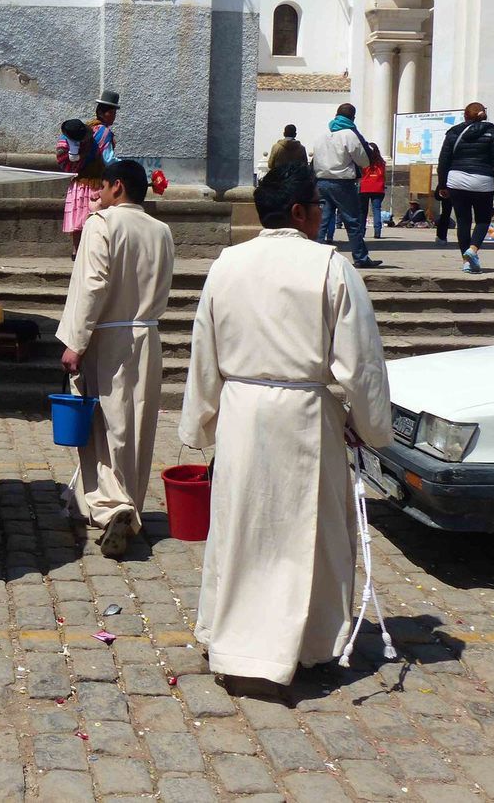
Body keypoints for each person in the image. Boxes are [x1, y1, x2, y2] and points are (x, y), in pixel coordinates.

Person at [179, 162, 392, 687]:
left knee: (243, 527)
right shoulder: (329, 266)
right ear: (299, 211)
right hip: (303, 417)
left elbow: (203, 346)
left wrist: (202, 419)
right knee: (306, 532)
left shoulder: (227, 264)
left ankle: (232, 634)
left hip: (244, 413)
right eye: (319, 207)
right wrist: (371, 427)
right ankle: (309, 641)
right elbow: (360, 360)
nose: (323, 216)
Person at [58, 159, 175, 558]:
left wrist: (75, 340)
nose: (96, 195)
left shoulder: (102, 224)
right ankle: (129, 504)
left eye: (102, 187)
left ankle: (111, 505)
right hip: (147, 333)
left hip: (106, 336)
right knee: (137, 425)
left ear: (118, 187)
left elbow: (94, 283)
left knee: (104, 425)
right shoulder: (161, 231)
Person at [434, 102, 494, 273]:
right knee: (482, 220)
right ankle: (473, 250)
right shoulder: (493, 133)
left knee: (463, 221)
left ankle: (466, 262)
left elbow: (443, 160)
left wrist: (442, 184)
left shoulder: (453, 132)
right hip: (483, 181)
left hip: (456, 180)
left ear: (465, 116)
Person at [310, 104, 383, 268]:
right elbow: (363, 161)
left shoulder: (322, 136)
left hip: (321, 182)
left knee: (321, 221)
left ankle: (316, 258)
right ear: (353, 118)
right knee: (352, 221)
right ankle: (360, 258)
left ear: (336, 116)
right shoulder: (349, 135)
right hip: (343, 183)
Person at [56, 91, 119, 257]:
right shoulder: (104, 133)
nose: (114, 116)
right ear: (106, 113)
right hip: (94, 185)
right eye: (113, 113)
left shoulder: (87, 128)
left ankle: (76, 252)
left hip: (77, 184)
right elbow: (108, 159)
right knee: (94, 220)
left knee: (78, 222)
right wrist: (127, 167)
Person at [359, 143, 386, 240]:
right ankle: (377, 232)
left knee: (363, 211)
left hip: (365, 187)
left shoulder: (364, 161)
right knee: (376, 210)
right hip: (378, 188)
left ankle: (361, 232)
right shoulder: (382, 163)